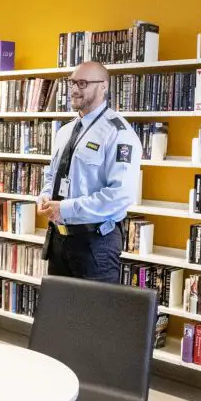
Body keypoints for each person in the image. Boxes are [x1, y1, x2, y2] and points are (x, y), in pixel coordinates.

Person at [37, 61, 142, 284]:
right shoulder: (65, 131)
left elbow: (120, 196)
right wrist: (46, 195)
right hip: (59, 239)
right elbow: (52, 175)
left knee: (95, 317)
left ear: (103, 87)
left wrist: (65, 208)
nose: (74, 89)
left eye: (83, 83)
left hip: (95, 243)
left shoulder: (117, 133)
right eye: (72, 82)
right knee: (61, 314)